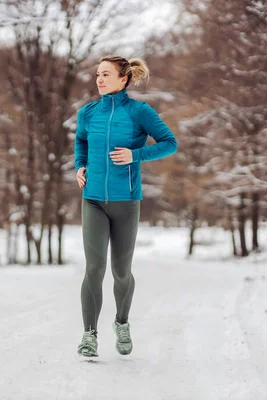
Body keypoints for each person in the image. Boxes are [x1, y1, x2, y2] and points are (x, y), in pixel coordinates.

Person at [73, 56, 177, 357]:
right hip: (92, 200)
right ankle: (89, 334)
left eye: (106, 74)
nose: (99, 79)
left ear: (124, 79)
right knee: (94, 268)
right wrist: (80, 165)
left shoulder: (139, 112)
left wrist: (136, 155)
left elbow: (169, 142)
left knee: (120, 271)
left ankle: (121, 322)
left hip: (126, 202)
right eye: (97, 74)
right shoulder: (88, 113)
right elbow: (81, 141)